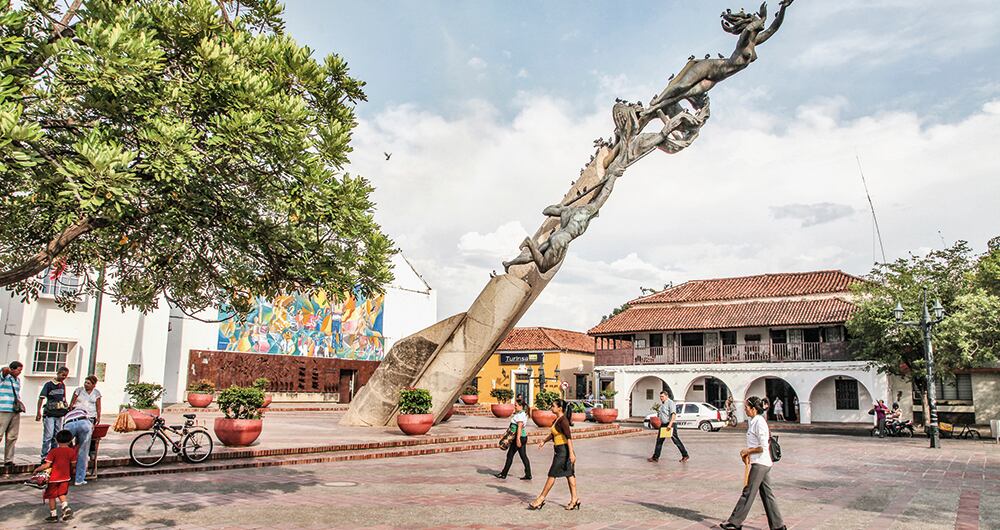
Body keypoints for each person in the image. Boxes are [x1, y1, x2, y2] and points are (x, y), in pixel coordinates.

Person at [720, 396, 785, 530]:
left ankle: (735, 522)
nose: (745, 410)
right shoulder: (753, 421)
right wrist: (748, 454)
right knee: (767, 494)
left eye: (747, 408)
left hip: (761, 463)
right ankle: (778, 526)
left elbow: (763, 446)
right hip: (761, 462)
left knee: (748, 492)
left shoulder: (759, 422)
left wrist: (747, 451)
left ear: (754, 409)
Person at [528, 399, 579, 511]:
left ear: (560, 408)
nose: (551, 407)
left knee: (552, 474)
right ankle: (575, 499)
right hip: (560, 450)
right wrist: (544, 441)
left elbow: (569, 437)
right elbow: (553, 434)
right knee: (569, 474)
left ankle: (540, 499)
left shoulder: (563, 420)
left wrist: (571, 454)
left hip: (564, 451)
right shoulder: (558, 420)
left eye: (553, 406)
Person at [34, 429, 76, 522]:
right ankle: (65, 506)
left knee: (51, 496)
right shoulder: (71, 452)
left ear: (56, 440)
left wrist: (37, 469)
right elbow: (73, 464)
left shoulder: (53, 451)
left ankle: (53, 515)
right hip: (65, 477)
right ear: (70, 441)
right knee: (61, 493)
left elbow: (47, 465)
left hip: (53, 478)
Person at [37, 366, 70, 462]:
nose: (64, 377)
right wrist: (38, 411)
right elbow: (41, 398)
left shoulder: (62, 385)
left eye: (65, 376)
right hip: (50, 413)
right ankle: (44, 456)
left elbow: (63, 399)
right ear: (58, 373)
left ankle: (54, 454)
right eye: (62, 375)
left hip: (59, 414)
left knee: (57, 435)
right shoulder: (49, 385)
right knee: (48, 435)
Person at [495, 396, 531, 480]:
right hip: (522, 437)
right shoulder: (521, 414)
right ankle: (528, 474)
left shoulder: (520, 415)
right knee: (523, 456)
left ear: (521, 406)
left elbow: (519, 427)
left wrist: (518, 439)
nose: (514, 406)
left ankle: (504, 474)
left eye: (516, 405)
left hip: (519, 437)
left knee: (510, 455)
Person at [648, 391, 689, 463]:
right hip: (663, 424)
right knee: (659, 441)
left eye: (662, 396)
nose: (661, 398)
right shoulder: (662, 404)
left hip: (670, 424)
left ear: (666, 396)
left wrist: (670, 425)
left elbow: (673, 415)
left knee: (676, 440)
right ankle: (655, 457)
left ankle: (685, 455)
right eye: (660, 397)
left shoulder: (671, 403)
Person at [1, 361, 25, 473]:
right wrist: (9, 370)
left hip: (14, 410)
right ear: (13, 369)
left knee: (12, 436)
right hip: (3, 408)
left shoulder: (18, 380)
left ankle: (8, 459)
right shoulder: (5, 377)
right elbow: (4, 370)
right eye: (19, 370)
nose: (20, 372)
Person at [59, 407, 92, 485]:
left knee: (64, 451)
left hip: (69, 425)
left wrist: (70, 446)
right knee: (83, 452)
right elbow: (90, 423)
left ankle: (62, 477)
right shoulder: (83, 411)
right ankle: (79, 480)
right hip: (84, 423)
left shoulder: (67, 414)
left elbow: (62, 429)